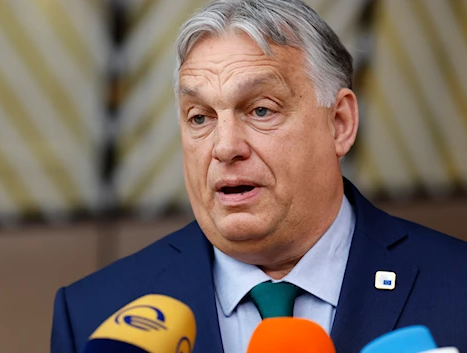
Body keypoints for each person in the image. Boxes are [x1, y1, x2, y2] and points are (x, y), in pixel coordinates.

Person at [51, 1, 467, 352]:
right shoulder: (94, 314)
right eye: (200, 117)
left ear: (339, 123)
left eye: (261, 110)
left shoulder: (456, 285)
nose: (225, 146)